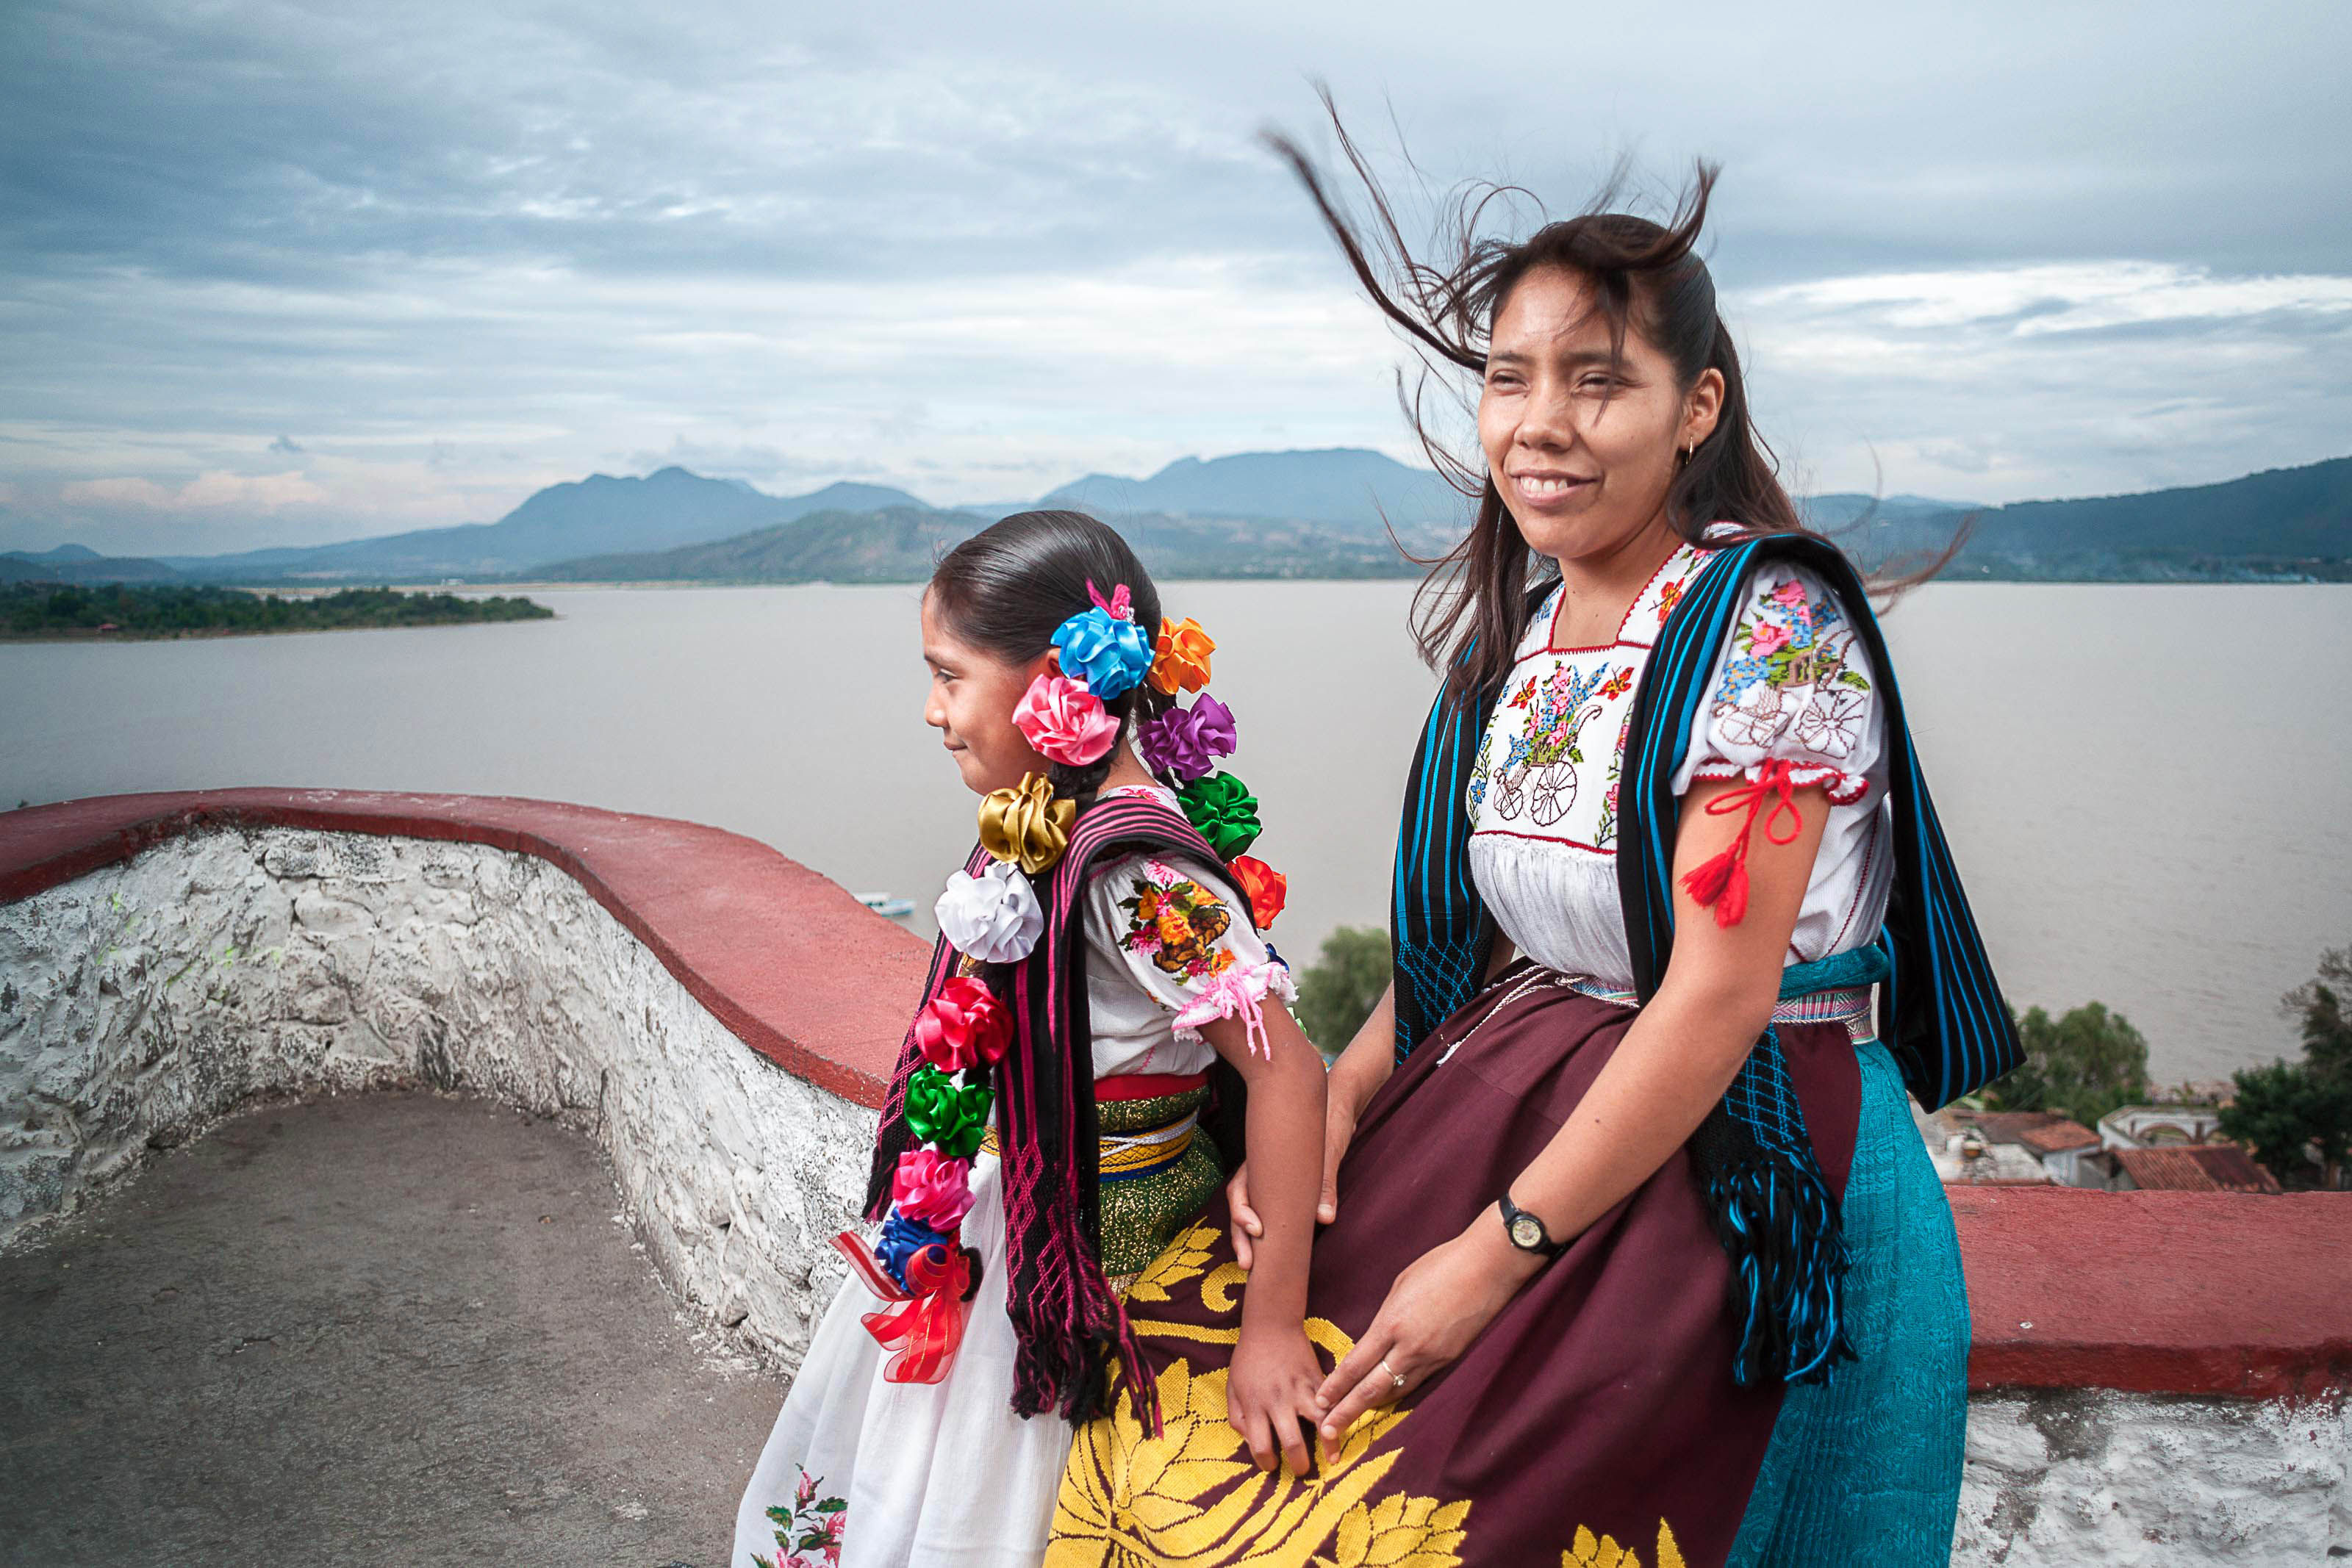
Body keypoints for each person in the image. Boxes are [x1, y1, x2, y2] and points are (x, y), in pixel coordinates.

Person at [1045, 118, 2018, 1568]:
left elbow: (1715, 991)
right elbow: (1475, 947)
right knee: (1186, 1446)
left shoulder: (1766, 629)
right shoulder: (1520, 639)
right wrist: (1342, 1113)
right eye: (1508, 377)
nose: (1538, 422)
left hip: (1737, 1165)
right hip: (1519, 1122)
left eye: (1595, 380)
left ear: (1693, 409)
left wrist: (1492, 1257)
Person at [733, 511, 1330, 1568]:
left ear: (1053, 678)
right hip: (1022, 1216)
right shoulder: (1047, 820)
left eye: (951, 676)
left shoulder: (1139, 870)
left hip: (1088, 1242)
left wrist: (1272, 1325)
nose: (932, 710)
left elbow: (1287, 1072)